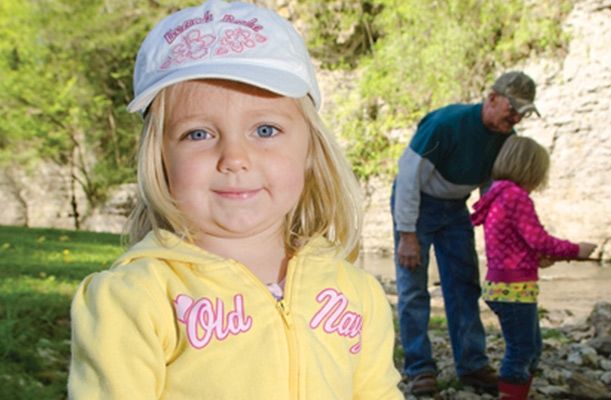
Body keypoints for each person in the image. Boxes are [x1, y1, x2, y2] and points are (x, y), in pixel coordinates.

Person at [68, 1, 402, 398]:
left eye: (264, 129)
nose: (235, 158)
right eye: (198, 134)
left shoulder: (357, 294)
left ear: (310, 149)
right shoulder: (134, 299)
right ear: (160, 159)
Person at [391, 70, 540, 395]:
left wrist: (506, 235)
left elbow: (492, 188)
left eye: (522, 114)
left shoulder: (504, 137)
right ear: (492, 99)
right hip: (418, 204)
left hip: (456, 208)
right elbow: (408, 176)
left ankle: (472, 365)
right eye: (511, 109)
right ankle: (419, 368)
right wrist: (407, 234)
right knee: (413, 288)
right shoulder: (446, 124)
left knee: (464, 285)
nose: (514, 118)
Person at [471, 135, 596, 399]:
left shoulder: (498, 194)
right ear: (531, 170)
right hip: (514, 289)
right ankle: (510, 394)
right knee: (521, 350)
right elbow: (538, 239)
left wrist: (534, 258)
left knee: (532, 347)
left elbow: (510, 242)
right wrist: (576, 251)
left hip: (503, 285)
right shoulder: (516, 197)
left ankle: (518, 393)